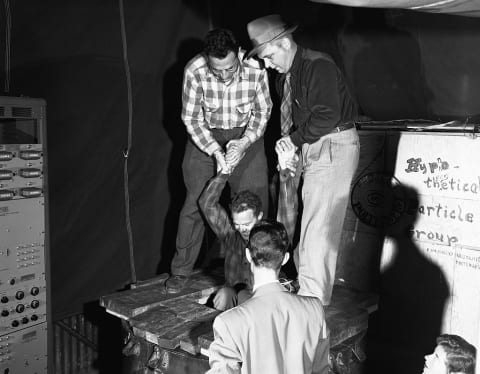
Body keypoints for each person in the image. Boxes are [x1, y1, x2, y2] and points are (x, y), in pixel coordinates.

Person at [246, 14, 360, 305]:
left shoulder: (317, 66)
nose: (267, 64)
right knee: (309, 226)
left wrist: (293, 140)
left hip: (332, 144)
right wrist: (294, 150)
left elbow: (327, 115)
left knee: (318, 230)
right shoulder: (290, 75)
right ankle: (307, 291)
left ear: (284, 42)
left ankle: (312, 303)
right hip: (314, 146)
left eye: (269, 56)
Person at [166, 28, 272, 293]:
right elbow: (191, 119)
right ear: (207, 58)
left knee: (254, 200)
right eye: (217, 71)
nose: (224, 76)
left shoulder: (256, 67)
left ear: (238, 54)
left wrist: (244, 143)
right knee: (195, 202)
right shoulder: (194, 70)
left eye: (229, 69)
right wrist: (215, 151)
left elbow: (262, 111)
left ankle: (259, 271)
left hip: (246, 135)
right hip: (206, 138)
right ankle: (181, 271)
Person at [206, 220, 329, 374]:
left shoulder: (228, 323)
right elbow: (322, 369)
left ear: (248, 255)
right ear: (285, 259)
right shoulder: (314, 309)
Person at [199, 150, 299, 311]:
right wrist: (223, 174)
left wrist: (285, 174)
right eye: (237, 224)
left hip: (264, 302)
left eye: (246, 224)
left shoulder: (271, 238)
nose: (241, 229)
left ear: (259, 216)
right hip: (236, 301)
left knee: (248, 296)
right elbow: (207, 204)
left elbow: (288, 211)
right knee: (225, 294)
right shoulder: (231, 236)